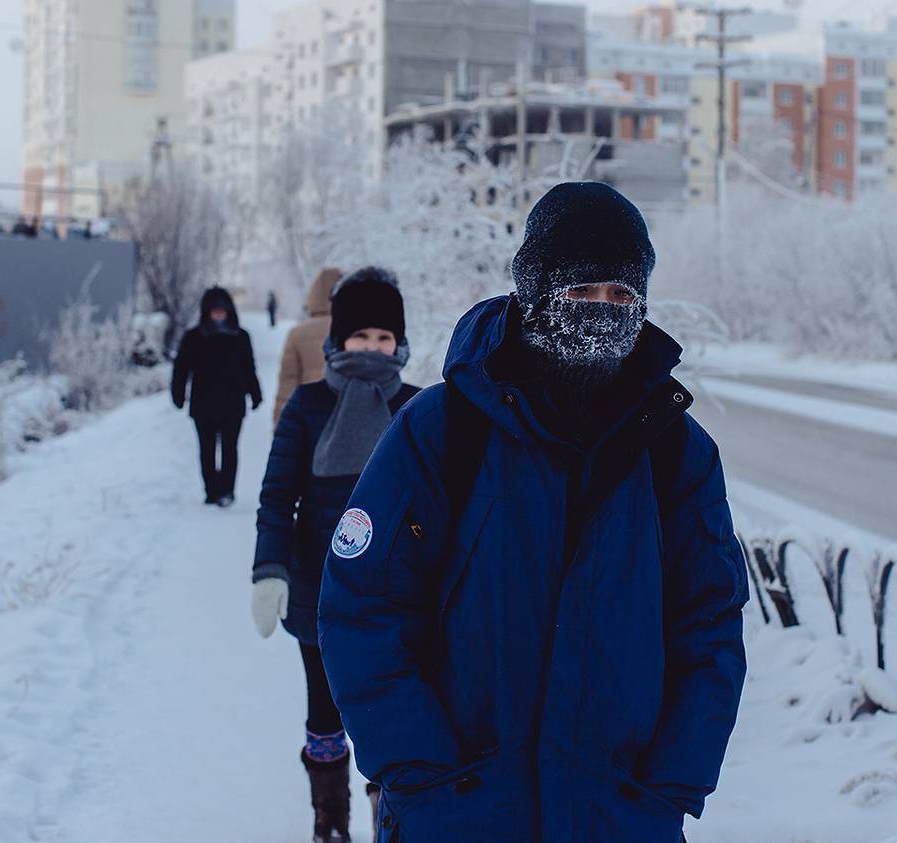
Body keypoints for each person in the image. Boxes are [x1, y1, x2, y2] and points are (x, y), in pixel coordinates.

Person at [318, 182, 750, 842]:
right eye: (583, 292)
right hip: (460, 815)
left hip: (620, 816)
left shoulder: (674, 452)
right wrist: (426, 778)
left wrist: (668, 784)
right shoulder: (443, 431)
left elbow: (710, 627)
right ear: (535, 290)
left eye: (624, 296)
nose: (604, 313)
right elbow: (364, 607)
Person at [251, 268, 420, 843]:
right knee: (325, 714)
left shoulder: (418, 407)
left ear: (399, 342)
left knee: (390, 719)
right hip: (318, 594)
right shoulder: (308, 405)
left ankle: (388, 823)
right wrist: (268, 571)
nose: (372, 347)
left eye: (384, 337)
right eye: (360, 336)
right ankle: (330, 823)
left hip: (401, 598)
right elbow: (277, 496)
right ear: (337, 339)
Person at [172, 287, 263, 507]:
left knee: (230, 449)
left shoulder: (240, 337)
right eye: (215, 312)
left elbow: (249, 367)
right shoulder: (194, 337)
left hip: (233, 403)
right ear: (207, 312)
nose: (219, 316)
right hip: (203, 404)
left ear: (229, 311)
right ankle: (212, 490)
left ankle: (227, 491)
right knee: (207, 449)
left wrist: (255, 393)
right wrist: (178, 393)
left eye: (222, 311)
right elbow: (181, 368)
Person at [273, 267, 341, 427]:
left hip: (308, 418)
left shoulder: (297, 333)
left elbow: (287, 384)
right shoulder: (357, 332)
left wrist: (280, 426)